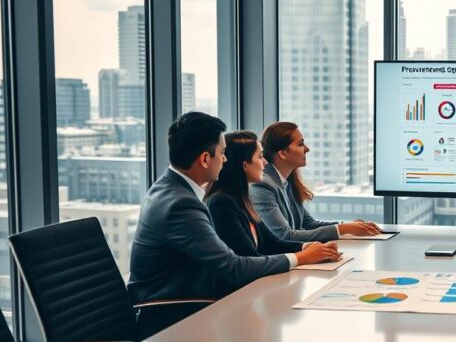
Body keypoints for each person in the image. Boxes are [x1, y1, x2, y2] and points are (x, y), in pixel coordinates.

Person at [129, 113, 320, 304]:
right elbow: (233, 267)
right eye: (222, 153)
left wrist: (306, 250)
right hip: (175, 311)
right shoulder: (181, 205)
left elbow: (267, 244)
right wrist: (299, 258)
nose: (226, 160)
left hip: (194, 300)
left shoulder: (168, 189)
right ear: (205, 159)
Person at [205, 131, 341, 296]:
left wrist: (308, 247)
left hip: (253, 290)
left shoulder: (242, 199)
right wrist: (302, 257)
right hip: (233, 296)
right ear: (245, 165)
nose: (265, 162)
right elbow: (248, 258)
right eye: (260, 156)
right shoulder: (221, 203)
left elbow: (271, 242)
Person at [251, 121, 381, 242]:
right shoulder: (263, 186)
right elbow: (284, 236)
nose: (307, 149)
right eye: (300, 144)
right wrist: (343, 229)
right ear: (283, 154)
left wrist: (347, 226)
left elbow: (308, 224)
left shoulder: (286, 181)